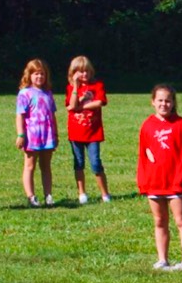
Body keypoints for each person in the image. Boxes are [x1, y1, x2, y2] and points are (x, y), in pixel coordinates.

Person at [137, 84, 182, 270]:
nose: (164, 104)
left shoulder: (181, 125)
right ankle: (163, 259)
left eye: (168, 101)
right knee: (160, 221)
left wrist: (181, 181)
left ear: (173, 102)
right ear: (153, 102)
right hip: (154, 183)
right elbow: (143, 156)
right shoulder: (147, 125)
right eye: (160, 100)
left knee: (181, 220)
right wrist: (143, 181)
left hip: (175, 184)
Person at [65, 55, 112, 204]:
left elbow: (99, 102)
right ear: (73, 73)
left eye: (87, 71)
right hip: (76, 133)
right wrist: (76, 87)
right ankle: (82, 193)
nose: (84, 74)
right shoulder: (71, 88)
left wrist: (81, 106)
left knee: (96, 162)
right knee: (78, 163)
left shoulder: (97, 85)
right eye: (80, 72)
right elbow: (71, 106)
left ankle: (105, 194)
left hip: (93, 133)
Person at [16, 58, 59, 207]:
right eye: (36, 74)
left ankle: (48, 195)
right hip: (32, 135)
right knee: (30, 165)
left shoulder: (48, 93)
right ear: (29, 75)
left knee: (46, 166)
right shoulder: (24, 93)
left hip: (47, 134)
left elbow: (53, 115)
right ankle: (31, 196)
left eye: (42, 74)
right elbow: (20, 115)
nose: (39, 77)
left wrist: (56, 134)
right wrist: (21, 134)